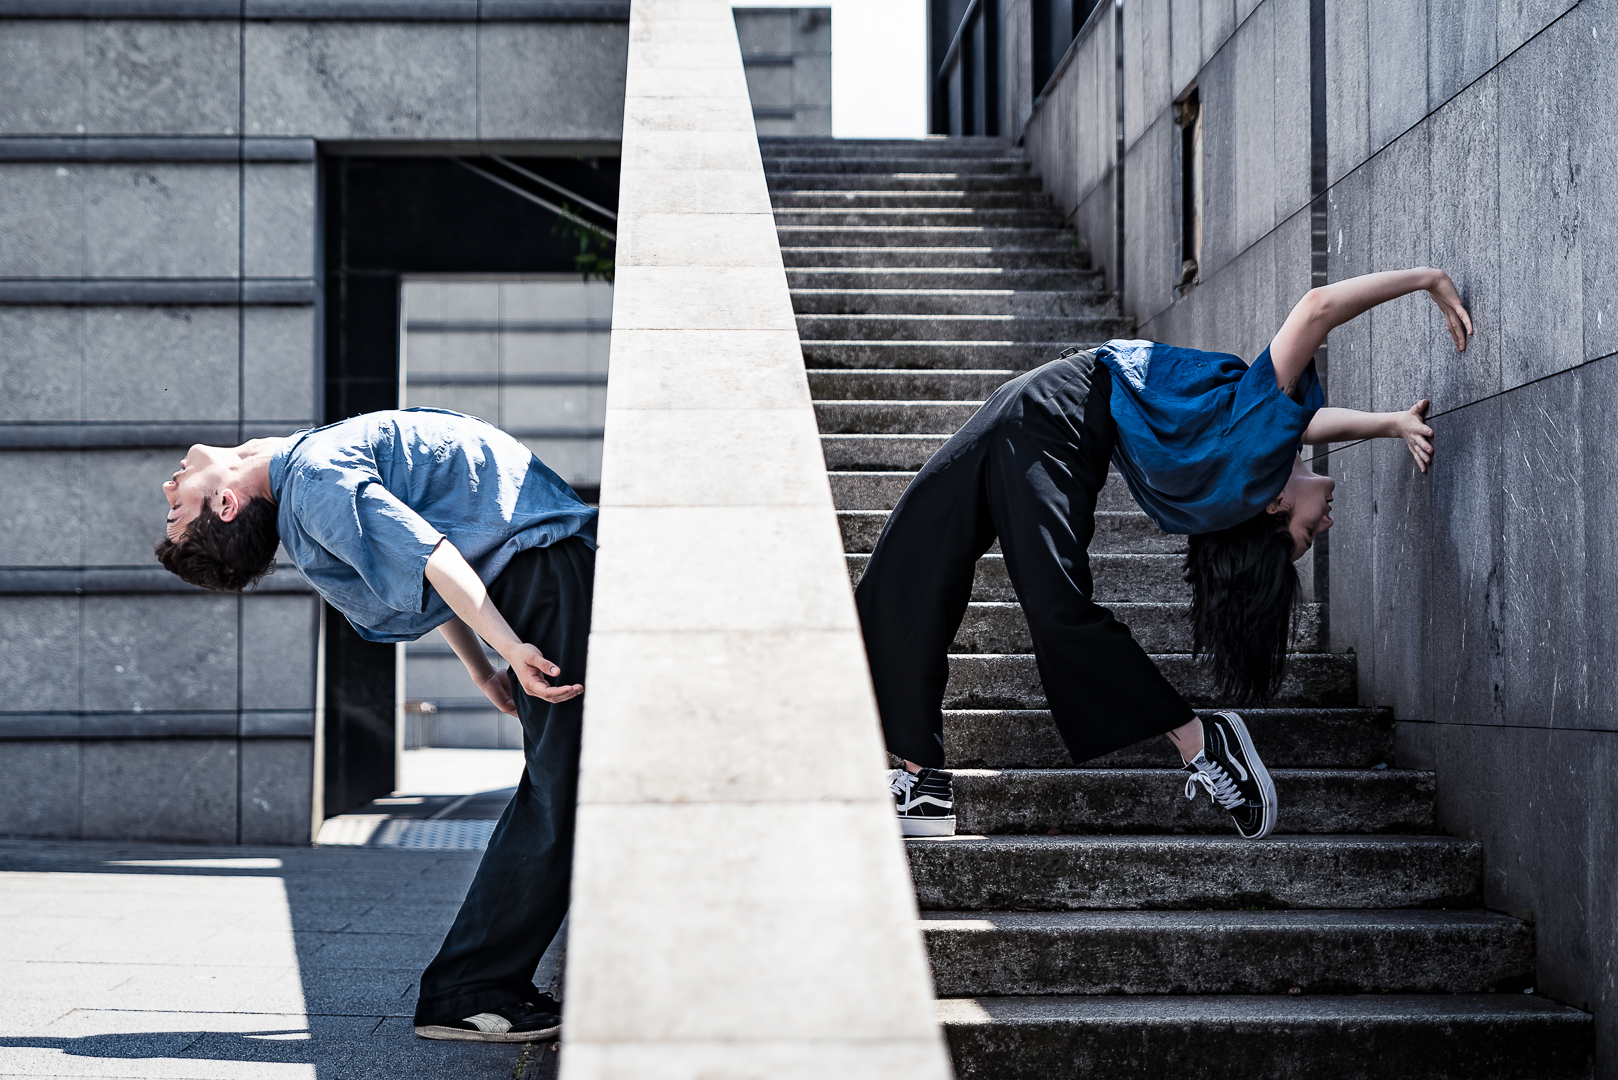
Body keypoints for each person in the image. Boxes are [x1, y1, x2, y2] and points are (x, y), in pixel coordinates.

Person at [859, 268, 1472, 840]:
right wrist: (1427, 283)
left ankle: (1197, 741)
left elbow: (1301, 416)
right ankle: (922, 781)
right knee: (908, 560)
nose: (1326, 522)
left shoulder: (1252, 456)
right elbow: (1316, 313)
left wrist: (1392, 418)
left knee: (1049, 605)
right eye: (1310, 534)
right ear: (1274, 505)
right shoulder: (1254, 451)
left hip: (1055, 412)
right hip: (1050, 402)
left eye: (1314, 531)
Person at [155, 408, 594, 1043]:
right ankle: (470, 991)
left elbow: (423, 565)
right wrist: (505, 650)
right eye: (176, 507)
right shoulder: (315, 480)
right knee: (562, 790)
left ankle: (477, 984)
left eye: (172, 503)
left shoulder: (301, 467)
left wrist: (483, 668)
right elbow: (430, 559)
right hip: (543, 578)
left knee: (563, 786)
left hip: (537, 578)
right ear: (225, 505)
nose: (169, 486)